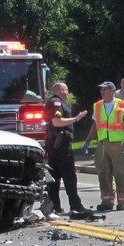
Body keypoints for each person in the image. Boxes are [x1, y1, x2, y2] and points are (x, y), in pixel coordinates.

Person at [80, 81, 124, 211]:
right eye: (101, 90)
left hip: (119, 144)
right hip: (103, 144)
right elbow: (95, 126)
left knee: (120, 173)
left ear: (112, 91)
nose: (102, 92)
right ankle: (107, 201)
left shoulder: (122, 105)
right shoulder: (98, 106)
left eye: (105, 90)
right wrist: (87, 141)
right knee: (103, 173)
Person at [43, 82, 89, 216]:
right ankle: (76, 206)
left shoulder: (55, 102)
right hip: (60, 145)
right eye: (66, 90)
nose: (68, 93)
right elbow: (56, 122)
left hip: (54, 144)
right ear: (61, 90)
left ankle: (54, 207)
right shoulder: (56, 103)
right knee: (69, 176)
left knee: (55, 177)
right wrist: (76, 118)